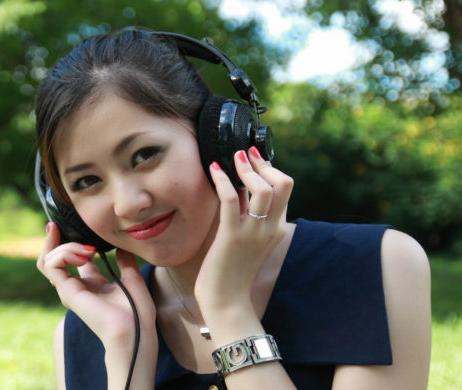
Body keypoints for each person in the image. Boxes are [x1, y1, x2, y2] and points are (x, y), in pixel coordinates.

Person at [34, 28, 431, 390]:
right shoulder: (89, 334)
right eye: (87, 182)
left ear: (222, 141)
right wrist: (127, 355)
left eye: (145, 155)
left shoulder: (371, 264)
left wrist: (228, 311)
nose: (127, 203)